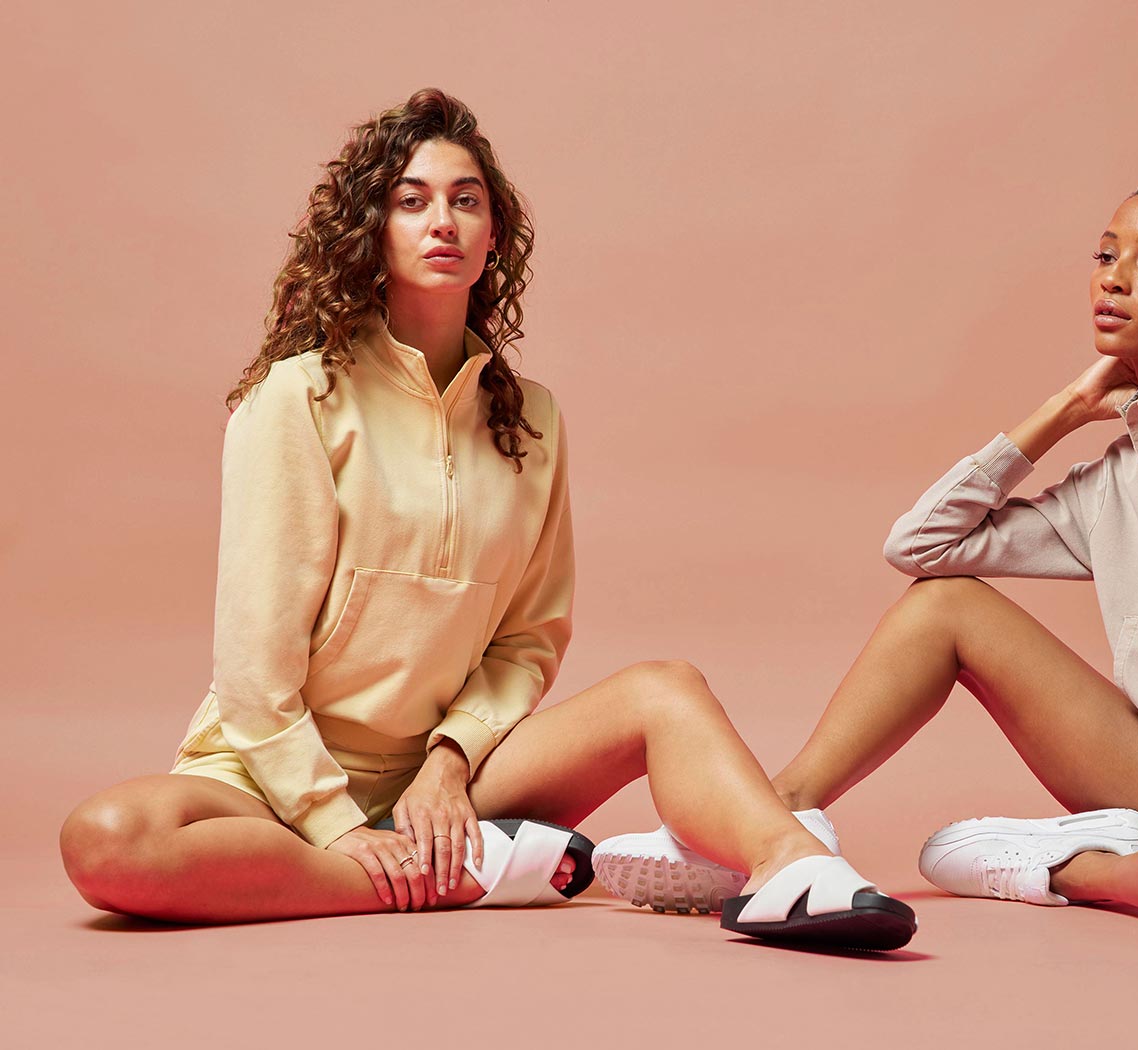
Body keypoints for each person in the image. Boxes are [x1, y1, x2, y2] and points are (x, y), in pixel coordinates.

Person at [59, 88, 915, 951]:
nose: (443, 221)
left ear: (494, 233)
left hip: (455, 783)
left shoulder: (532, 420)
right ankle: (457, 879)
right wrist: (334, 822)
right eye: (411, 199)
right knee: (108, 841)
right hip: (270, 781)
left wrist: (448, 763)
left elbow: (529, 640)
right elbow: (252, 674)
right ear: (371, 230)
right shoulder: (297, 400)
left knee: (667, 687)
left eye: (467, 200)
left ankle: (793, 868)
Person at [594, 178, 1138, 931]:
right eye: (1106, 255)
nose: (1114, 278)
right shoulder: (1110, 480)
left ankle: (1056, 867)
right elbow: (924, 549)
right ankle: (775, 823)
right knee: (946, 608)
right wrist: (1061, 412)